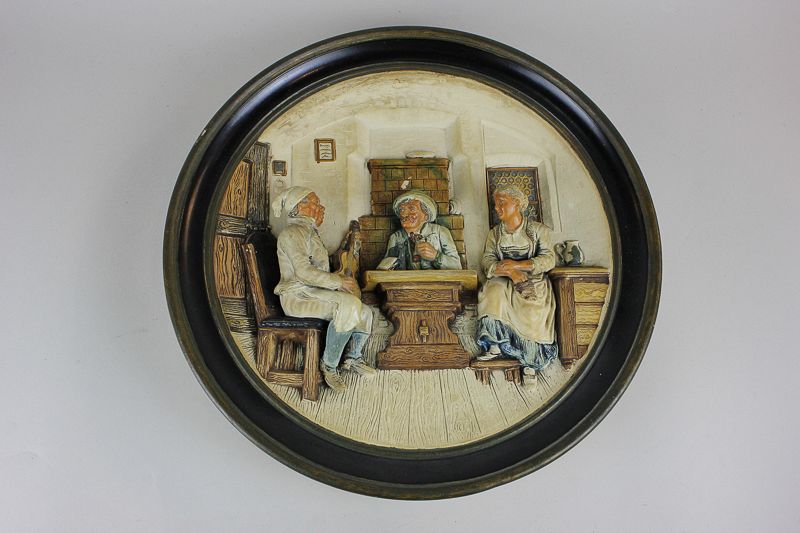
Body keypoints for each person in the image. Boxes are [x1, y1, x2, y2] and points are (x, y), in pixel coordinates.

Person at [272, 186, 375, 392]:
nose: (322, 208)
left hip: (311, 293)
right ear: (299, 207)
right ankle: (329, 366)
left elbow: (316, 270)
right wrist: (338, 282)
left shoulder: (308, 232)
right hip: (297, 297)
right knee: (347, 306)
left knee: (365, 312)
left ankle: (352, 358)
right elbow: (303, 272)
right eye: (316, 203)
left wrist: (337, 280)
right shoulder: (292, 233)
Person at [475, 187, 558, 384]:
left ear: (518, 204)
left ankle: (530, 364)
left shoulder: (538, 230)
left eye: (502, 203)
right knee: (492, 291)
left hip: (533, 280)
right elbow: (487, 260)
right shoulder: (495, 234)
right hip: (503, 279)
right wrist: (510, 272)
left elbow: (548, 259)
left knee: (533, 310)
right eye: (496, 204)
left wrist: (518, 266)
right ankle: (495, 345)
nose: (497, 208)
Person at [383, 190, 462, 270]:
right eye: (402, 210)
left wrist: (436, 256)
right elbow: (386, 265)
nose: (404, 214)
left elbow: (457, 267)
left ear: (426, 215)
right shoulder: (396, 237)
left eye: (412, 209)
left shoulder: (440, 232)